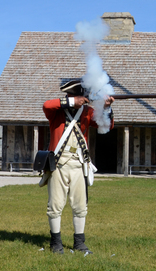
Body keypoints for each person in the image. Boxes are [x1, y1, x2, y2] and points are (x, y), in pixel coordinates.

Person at [42, 80, 114, 254]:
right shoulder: (56, 112)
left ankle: (79, 243)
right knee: (55, 206)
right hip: (58, 164)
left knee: (80, 207)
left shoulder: (88, 112)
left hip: (79, 164)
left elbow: (107, 125)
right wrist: (73, 102)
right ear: (72, 96)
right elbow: (46, 105)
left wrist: (106, 108)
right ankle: (56, 243)